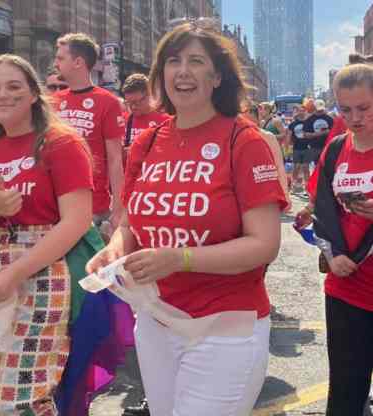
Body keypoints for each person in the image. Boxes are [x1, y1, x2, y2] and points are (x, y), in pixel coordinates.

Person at [86, 22, 286, 415]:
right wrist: (113, 250)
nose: (183, 71)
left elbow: (265, 245)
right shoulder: (146, 142)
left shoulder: (243, 140)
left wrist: (182, 258)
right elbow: (130, 223)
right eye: (173, 61)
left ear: (216, 77)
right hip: (157, 322)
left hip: (225, 326)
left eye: (196, 61)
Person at [0, 53, 94, 415]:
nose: (2, 95)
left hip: (42, 270)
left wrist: (15, 273)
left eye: (13, 86)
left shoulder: (60, 143)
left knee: (22, 395)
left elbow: (76, 220)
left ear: (34, 93)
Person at [297, 63, 373, 416]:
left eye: (364, 108)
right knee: (344, 389)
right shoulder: (336, 149)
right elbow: (323, 210)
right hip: (345, 288)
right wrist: (332, 250)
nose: (355, 118)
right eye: (345, 109)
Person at [52, 33, 125, 229]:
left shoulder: (108, 102)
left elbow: (116, 159)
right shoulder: (52, 102)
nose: (55, 63)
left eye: (60, 58)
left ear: (78, 62)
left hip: (93, 211)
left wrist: (118, 209)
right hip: (54, 208)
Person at [248, 102, 292, 212]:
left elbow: (283, 134)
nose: (261, 110)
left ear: (268, 110)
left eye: (263, 108)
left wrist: (270, 138)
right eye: (260, 108)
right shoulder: (262, 124)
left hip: (271, 153)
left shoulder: (275, 121)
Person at [286, 103, 311, 193]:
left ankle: (307, 186)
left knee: (305, 167)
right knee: (296, 167)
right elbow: (288, 136)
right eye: (300, 111)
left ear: (305, 112)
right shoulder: (293, 124)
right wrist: (287, 148)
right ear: (298, 112)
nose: (301, 112)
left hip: (307, 148)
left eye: (303, 111)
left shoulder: (309, 123)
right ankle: (294, 184)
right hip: (296, 147)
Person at [304, 99, 334, 168]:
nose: (320, 111)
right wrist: (322, 133)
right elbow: (306, 135)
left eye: (321, 110)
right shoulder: (309, 119)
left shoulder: (329, 118)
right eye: (318, 110)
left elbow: (334, 132)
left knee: (328, 166)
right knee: (318, 167)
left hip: (328, 146)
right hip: (315, 147)